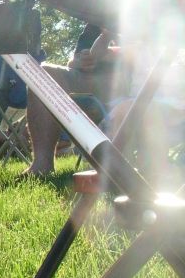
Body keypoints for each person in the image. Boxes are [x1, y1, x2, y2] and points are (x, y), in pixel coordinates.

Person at [25, 24, 127, 176]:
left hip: (122, 82)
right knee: (44, 74)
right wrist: (80, 62)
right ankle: (42, 164)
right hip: (87, 81)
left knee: (116, 77)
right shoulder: (95, 22)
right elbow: (72, 63)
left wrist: (113, 54)